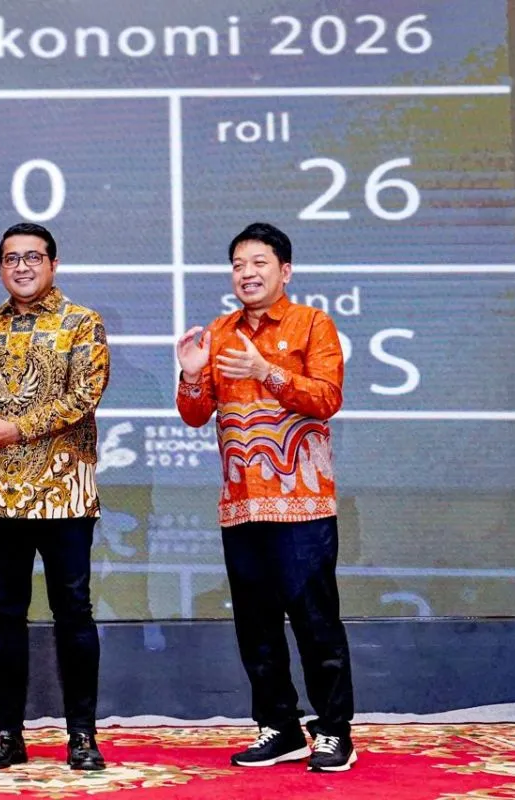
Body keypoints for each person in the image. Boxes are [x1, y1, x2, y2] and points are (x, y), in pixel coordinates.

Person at [175, 222, 356, 772]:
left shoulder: (313, 324)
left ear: (285, 271)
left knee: (315, 621)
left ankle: (334, 731)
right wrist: (191, 376)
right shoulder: (219, 332)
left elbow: (326, 398)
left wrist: (266, 371)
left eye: (259, 263)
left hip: (302, 505)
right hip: (241, 505)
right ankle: (280, 727)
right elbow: (195, 416)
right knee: (255, 625)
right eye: (238, 265)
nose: (247, 274)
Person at [0, 221, 111, 771]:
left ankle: (82, 736)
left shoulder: (82, 322)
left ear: (53, 264)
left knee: (74, 612)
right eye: (11, 258)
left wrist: (18, 429)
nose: (21, 267)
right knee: (4, 615)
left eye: (33, 257)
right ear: (0, 267)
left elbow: (85, 394)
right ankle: (7, 735)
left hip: (65, 491)